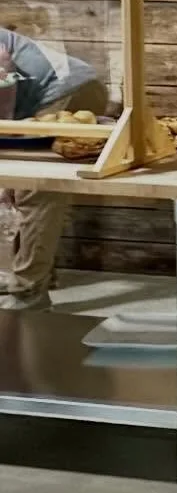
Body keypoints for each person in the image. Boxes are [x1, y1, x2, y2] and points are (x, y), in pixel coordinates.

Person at [0, 28, 105, 312]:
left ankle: (29, 291)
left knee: (36, 188)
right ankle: (30, 274)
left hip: (69, 91)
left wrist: (7, 133)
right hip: (36, 99)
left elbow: (2, 68)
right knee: (19, 186)